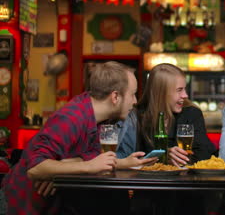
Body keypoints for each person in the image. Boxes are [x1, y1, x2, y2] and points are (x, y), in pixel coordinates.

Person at [2, 61, 155, 215]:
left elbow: (88, 158)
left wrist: (123, 163)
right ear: (115, 96)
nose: (135, 101)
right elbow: (35, 168)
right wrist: (87, 167)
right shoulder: (72, 117)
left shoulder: (97, 116)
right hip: (21, 206)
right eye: (133, 94)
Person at [117, 63, 216, 166]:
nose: (185, 95)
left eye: (184, 89)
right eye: (179, 90)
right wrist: (164, 157)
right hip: (144, 180)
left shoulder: (191, 113)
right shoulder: (136, 116)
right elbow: (126, 157)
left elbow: (204, 155)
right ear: (162, 93)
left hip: (184, 180)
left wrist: (177, 158)